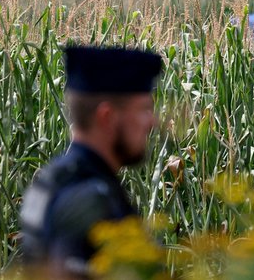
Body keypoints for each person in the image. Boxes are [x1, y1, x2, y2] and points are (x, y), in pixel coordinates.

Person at [19, 46, 162, 277]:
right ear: (107, 117)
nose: (152, 122)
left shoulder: (53, 178)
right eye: (144, 109)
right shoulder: (90, 198)